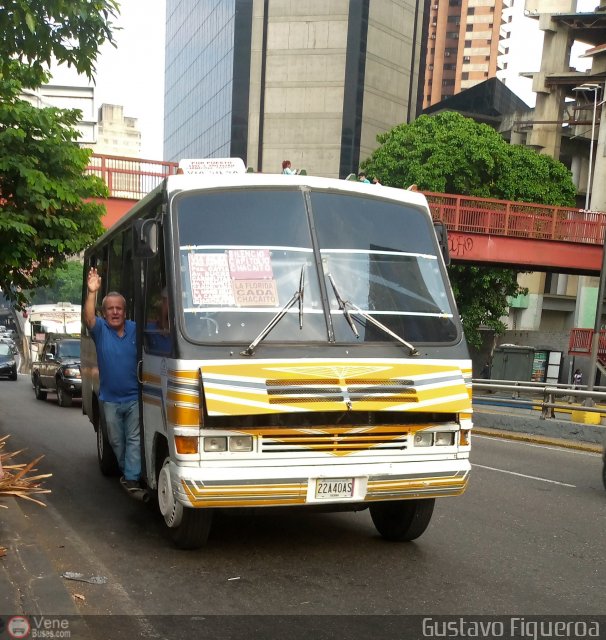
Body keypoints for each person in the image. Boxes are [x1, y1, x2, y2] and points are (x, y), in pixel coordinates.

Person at [84, 267, 142, 498]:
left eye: (119, 308)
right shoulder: (101, 331)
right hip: (109, 400)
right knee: (117, 441)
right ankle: (128, 471)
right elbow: (88, 317)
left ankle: (132, 478)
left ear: (125, 312)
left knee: (134, 439)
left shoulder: (136, 330)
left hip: (133, 398)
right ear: (104, 313)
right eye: (110, 309)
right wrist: (92, 292)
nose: (115, 312)